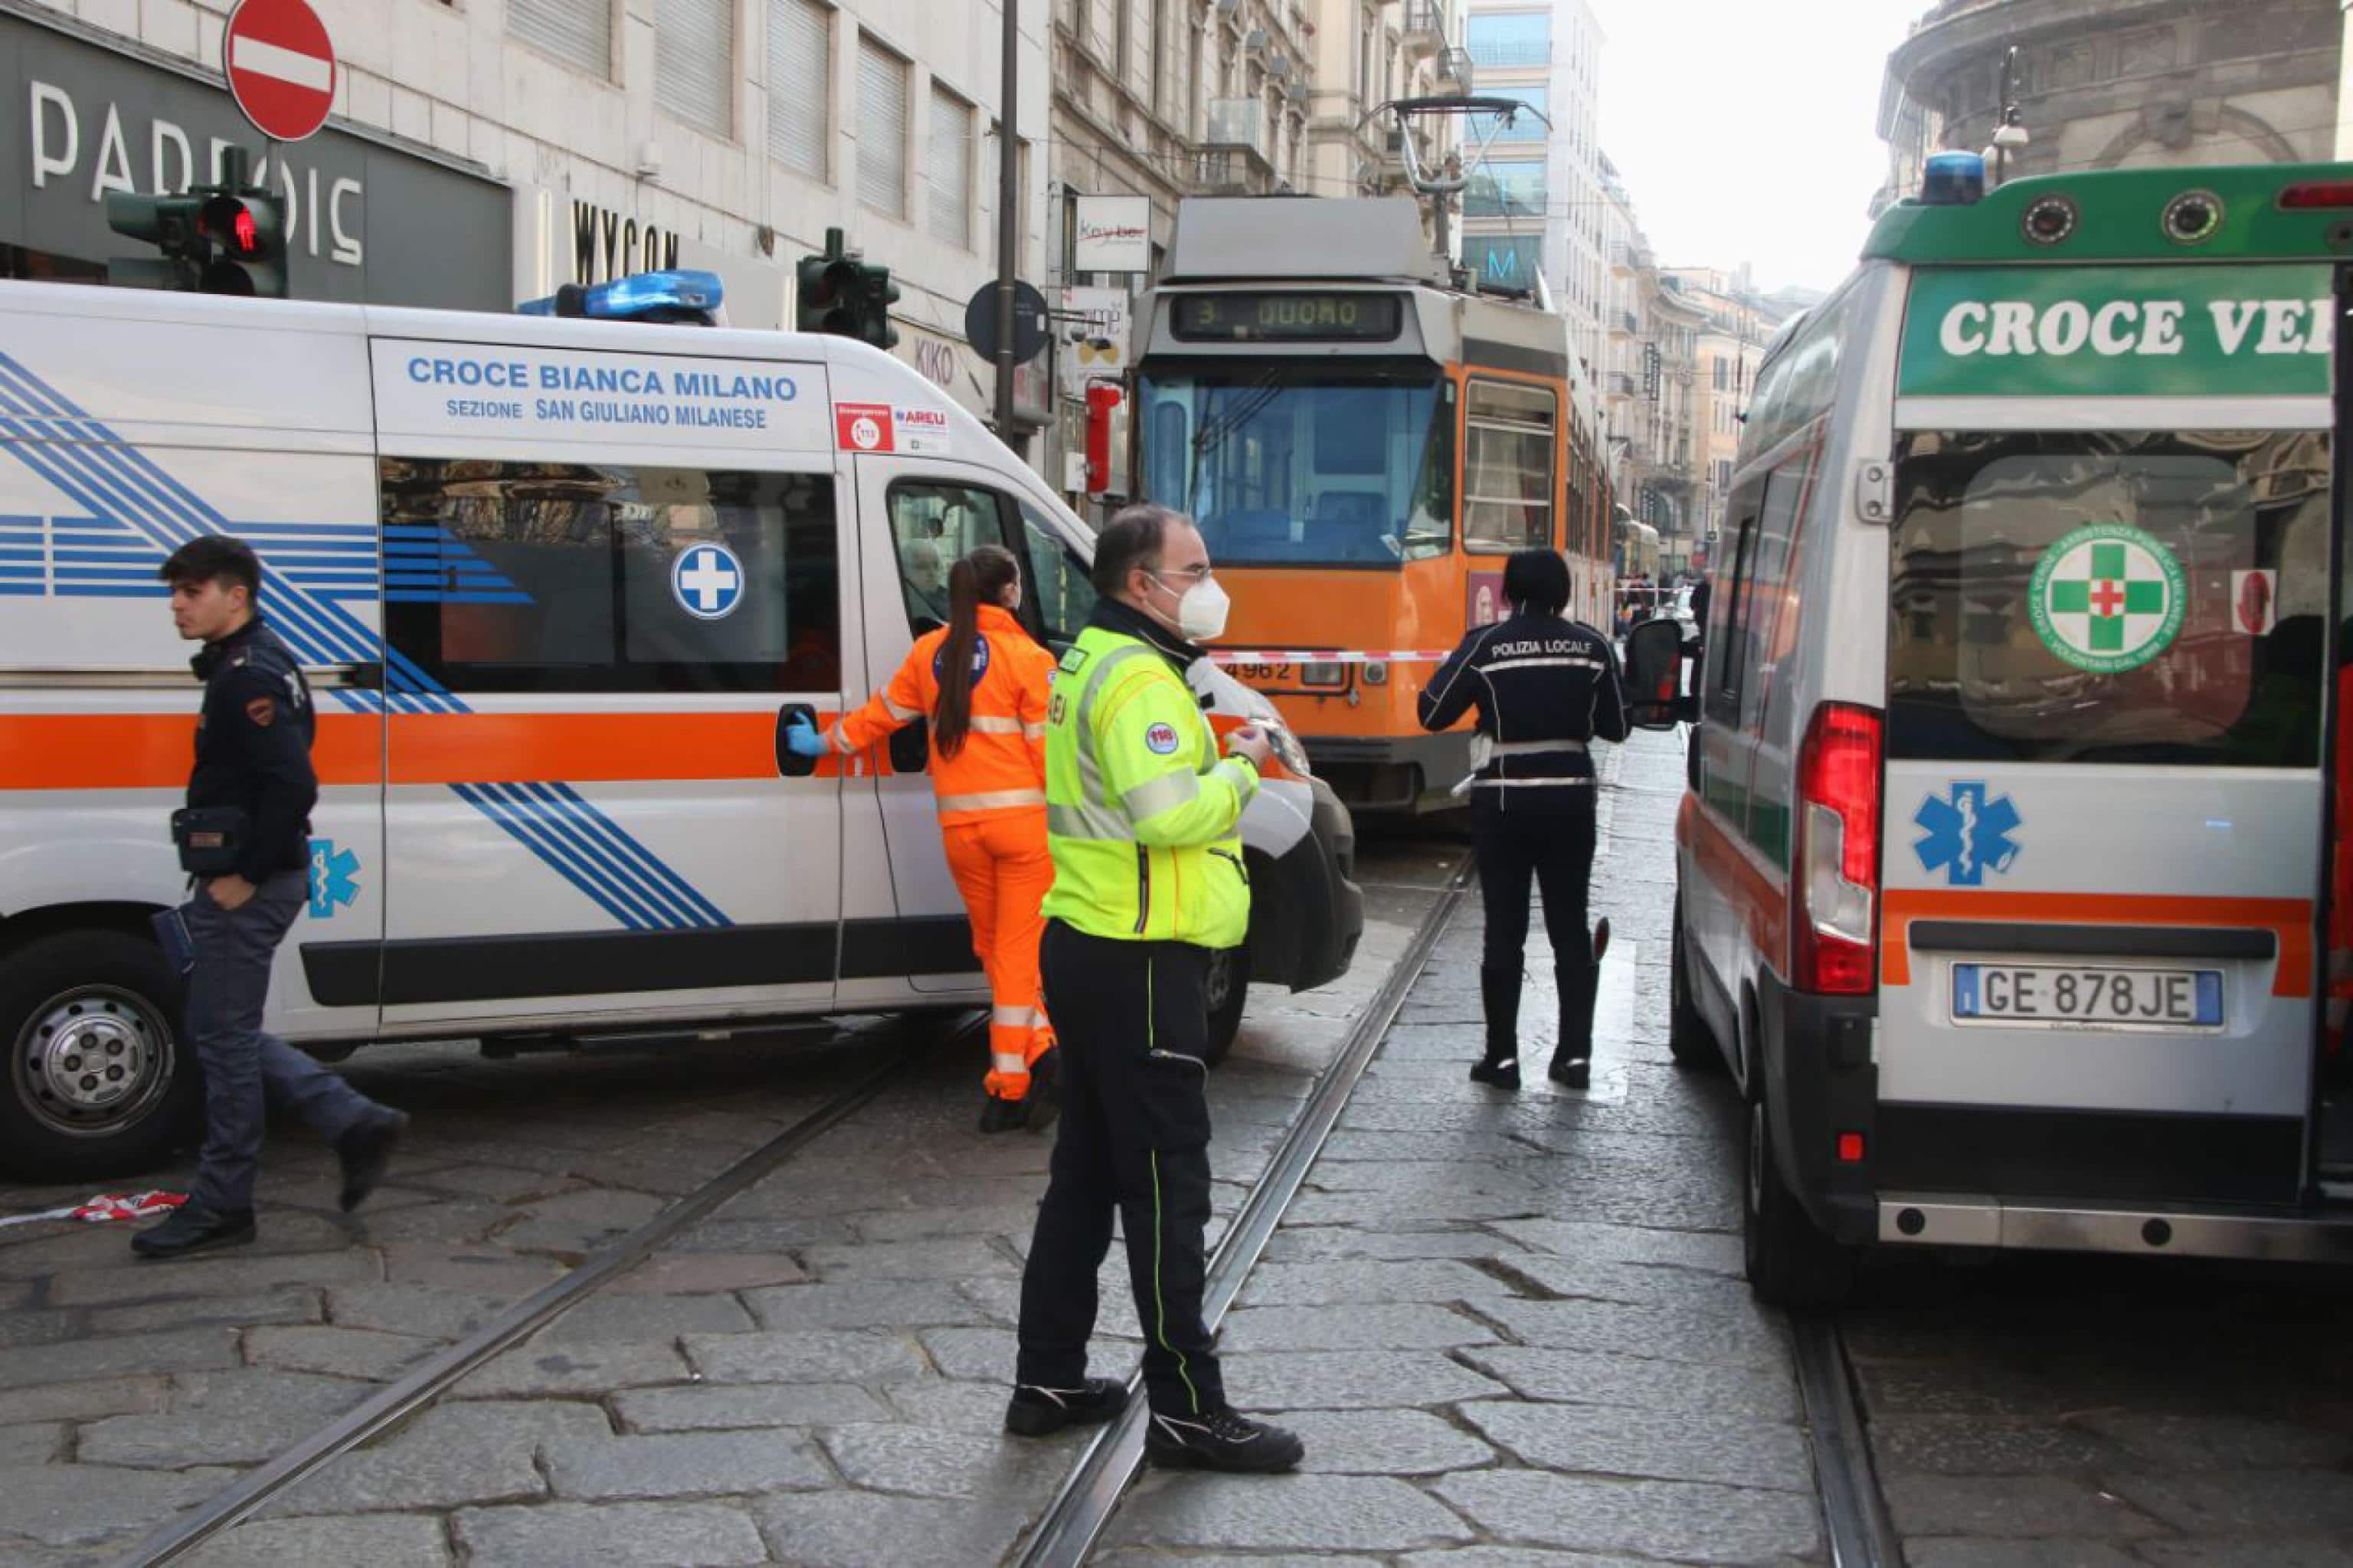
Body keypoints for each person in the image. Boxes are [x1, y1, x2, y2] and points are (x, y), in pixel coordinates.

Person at [1005, 504, 1304, 1474]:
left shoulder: (1089, 658)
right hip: (1139, 960)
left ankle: (1046, 1375)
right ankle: (1187, 1407)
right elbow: (1169, 817)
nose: (1210, 583)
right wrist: (1242, 764)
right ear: (1145, 583)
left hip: (1089, 944)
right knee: (1169, 1186)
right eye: (1197, 566)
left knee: (1087, 1175)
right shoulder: (1138, 679)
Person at [133, 538, 406, 1261]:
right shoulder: (245, 664)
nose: (177, 605)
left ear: (236, 595)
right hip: (241, 878)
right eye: (177, 593)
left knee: (221, 1040)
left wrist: (244, 874)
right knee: (219, 1030)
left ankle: (225, 1203)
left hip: (249, 883)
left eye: (191, 592)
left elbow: (292, 784)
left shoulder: (248, 674)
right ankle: (353, 1119)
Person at [786, 545, 1062, 1132]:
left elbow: (878, 717)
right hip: (1024, 831)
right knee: (1015, 953)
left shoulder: (931, 653)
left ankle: (1037, 1054)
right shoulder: (1029, 658)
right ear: (1009, 591)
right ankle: (1014, 1081)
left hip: (962, 831)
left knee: (993, 948)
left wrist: (820, 743)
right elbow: (1048, 756)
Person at [1420, 547, 1628, 1092]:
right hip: (1570, 801)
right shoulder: (1592, 646)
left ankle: (1503, 1058)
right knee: (1568, 926)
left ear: (1509, 592)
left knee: (1504, 930)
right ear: (1563, 592)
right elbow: (1618, 726)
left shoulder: (1486, 646)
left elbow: (1432, 709)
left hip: (1504, 802)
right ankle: (1575, 1056)